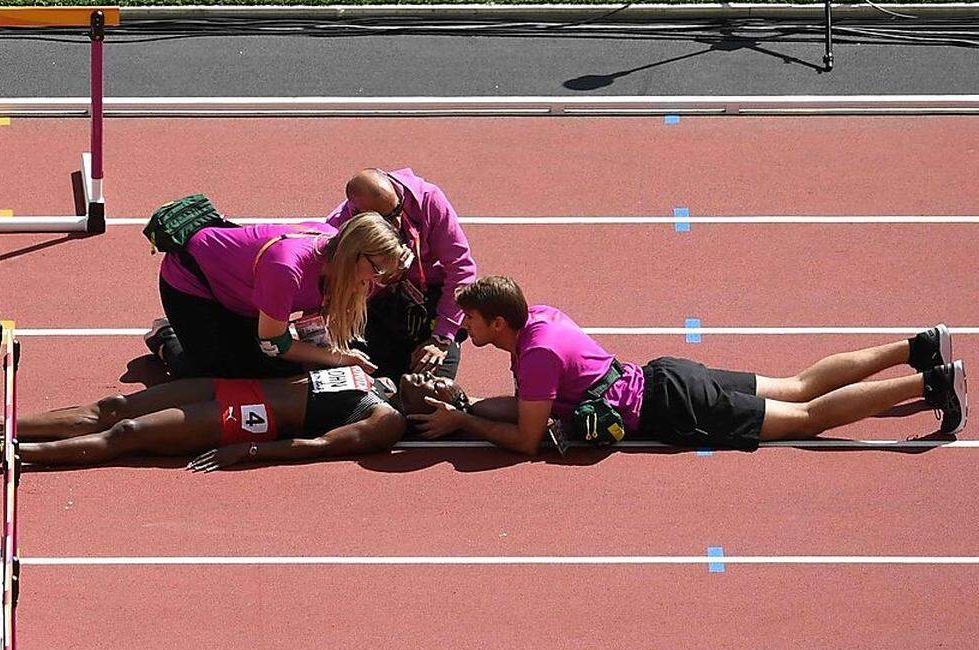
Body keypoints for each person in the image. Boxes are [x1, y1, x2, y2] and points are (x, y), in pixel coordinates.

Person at [410, 276, 967, 453]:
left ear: (498, 325)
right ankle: (917, 346)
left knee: (806, 420)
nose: (466, 330)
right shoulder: (540, 318)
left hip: (674, 405)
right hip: (666, 374)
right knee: (797, 385)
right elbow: (535, 404)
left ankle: (933, 380)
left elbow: (529, 441)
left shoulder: (532, 356)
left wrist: (464, 422)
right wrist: (471, 403)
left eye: (472, 322)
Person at [0, 364, 407, 471]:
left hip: (252, 418)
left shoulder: (388, 419)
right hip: (236, 385)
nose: (433, 378)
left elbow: (321, 447)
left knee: (127, 432)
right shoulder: (378, 371)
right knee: (115, 406)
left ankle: (14, 455)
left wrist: (246, 451)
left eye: (443, 388)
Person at [145, 212, 411, 380]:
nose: (374, 281)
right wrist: (339, 358)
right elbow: (274, 343)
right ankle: (167, 338)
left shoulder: (336, 255)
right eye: (375, 269)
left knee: (277, 369)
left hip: (243, 294)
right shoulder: (286, 267)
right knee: (216, 374)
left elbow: (313, 317)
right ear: (353, 253)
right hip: (191, 281)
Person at [325, 168, 478, 380]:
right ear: (359, 215)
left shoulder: (428, 200)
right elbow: (336, 293)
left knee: (429, 389)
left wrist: (443, 336)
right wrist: (382, 279)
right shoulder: (339, 228)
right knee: (370, 381)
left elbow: (461, 269)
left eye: (398, 210)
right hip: (373, 304)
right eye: (386, 219)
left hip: (431, 297)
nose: (396, 223)